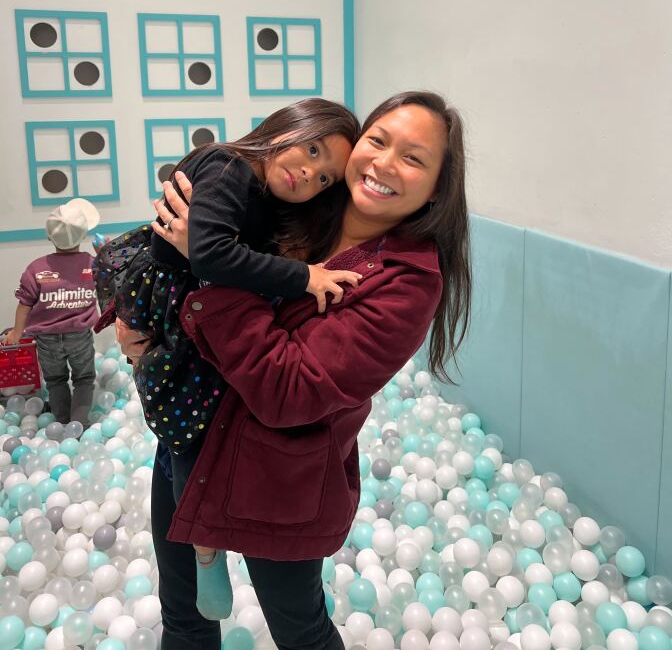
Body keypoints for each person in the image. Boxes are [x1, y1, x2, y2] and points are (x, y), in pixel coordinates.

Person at [119, 90, 472, 650]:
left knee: (300, 628)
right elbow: (188, 279)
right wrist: (144, 331)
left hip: (278, 479)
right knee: (183, 617)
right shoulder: (301, 206)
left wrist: (207, 270)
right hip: (193, 438)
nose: (383, 163)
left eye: (413, 158)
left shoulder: (408, 280)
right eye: (377, 141)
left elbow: (289, 389)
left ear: (437, 190)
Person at [98, 98, 362, 620]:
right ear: (286, 127)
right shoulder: (228, 166)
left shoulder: (268, 195)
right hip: (174, 300)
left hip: (192, 304)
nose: (309, 173)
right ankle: (204, 549)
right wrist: (305, 276)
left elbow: (219, 255)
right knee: (184, 421)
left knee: (195, 414)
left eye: (325, 178)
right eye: (310, 149)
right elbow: (213, 254)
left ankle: (205, 541)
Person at [3, 198, 100, 427]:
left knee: (55, 380)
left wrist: (16, 333)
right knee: (84, 378)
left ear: (49, 236)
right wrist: (103, 254)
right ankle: (78, 423)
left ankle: (62, 420)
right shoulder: (93, 264)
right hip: (80, 337)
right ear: (83, 236)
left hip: (47, 340)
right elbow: (112, 283)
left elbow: (24, 304)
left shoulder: (36, 268)